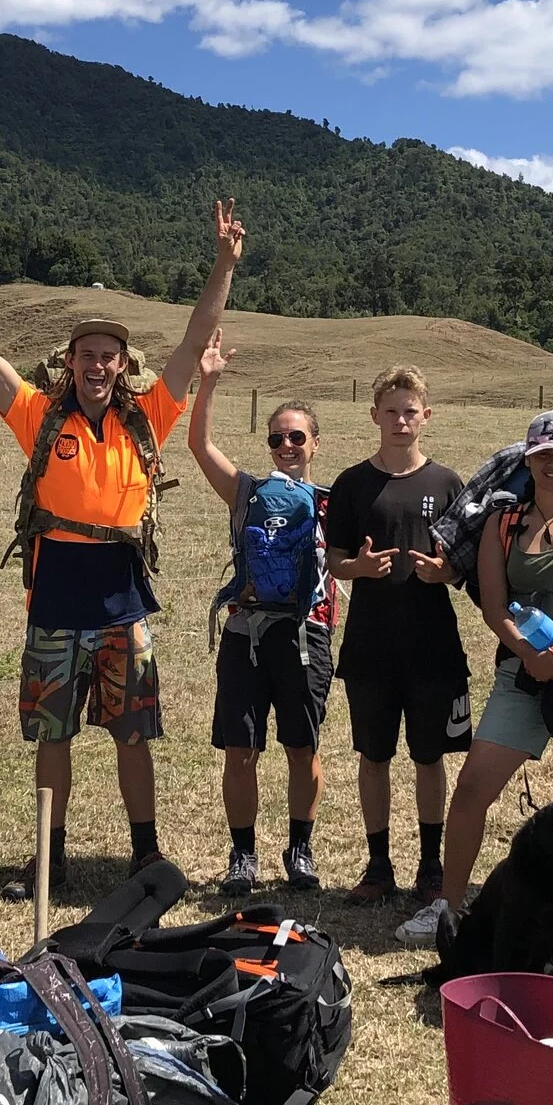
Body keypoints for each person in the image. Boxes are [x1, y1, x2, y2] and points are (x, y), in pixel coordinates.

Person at [0, 199, 243, 899]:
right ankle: (50, 857)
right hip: (55, 596)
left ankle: (145, 853)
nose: (98, 366)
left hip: (122, 600)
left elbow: (198, 334)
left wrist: (224, 263)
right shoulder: (39, 417)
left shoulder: (150, 416)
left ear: (123, 364)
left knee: (133, 734)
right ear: (69, 362)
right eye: (88, 355)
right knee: (55, 735)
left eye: (110, 356)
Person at [400, 411, 553, 948]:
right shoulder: (503, 522)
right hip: (523, 666)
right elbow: (493, 603)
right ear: (528, 460)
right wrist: (533, 657)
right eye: (543, 455)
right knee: (473, 788)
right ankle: (449, 906)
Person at [187, 335, 331, 893]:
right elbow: (199, 446)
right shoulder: (246, 491)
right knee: (240, 750)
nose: (287, 444)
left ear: (315, 443)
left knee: (303, 746)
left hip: (304, 635)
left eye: (298, 436)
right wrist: (210, 380)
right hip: (245, 633)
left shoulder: (328, 499)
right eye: (278, 438)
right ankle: (242, 856)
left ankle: (300, 850)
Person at [323, 366, 468, 905]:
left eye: (411, 411)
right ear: (374, 415)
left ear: (426, 416)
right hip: (369, 648)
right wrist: (356, 569)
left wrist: (445, 572)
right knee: (374, 756)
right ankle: (378, 865)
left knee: (430, 758)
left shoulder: (448, 483)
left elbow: (464, 563)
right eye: (391, 411)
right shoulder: (352, 483)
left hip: (433, 646)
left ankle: (431, 869)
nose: (401, 420)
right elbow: (335, 560)